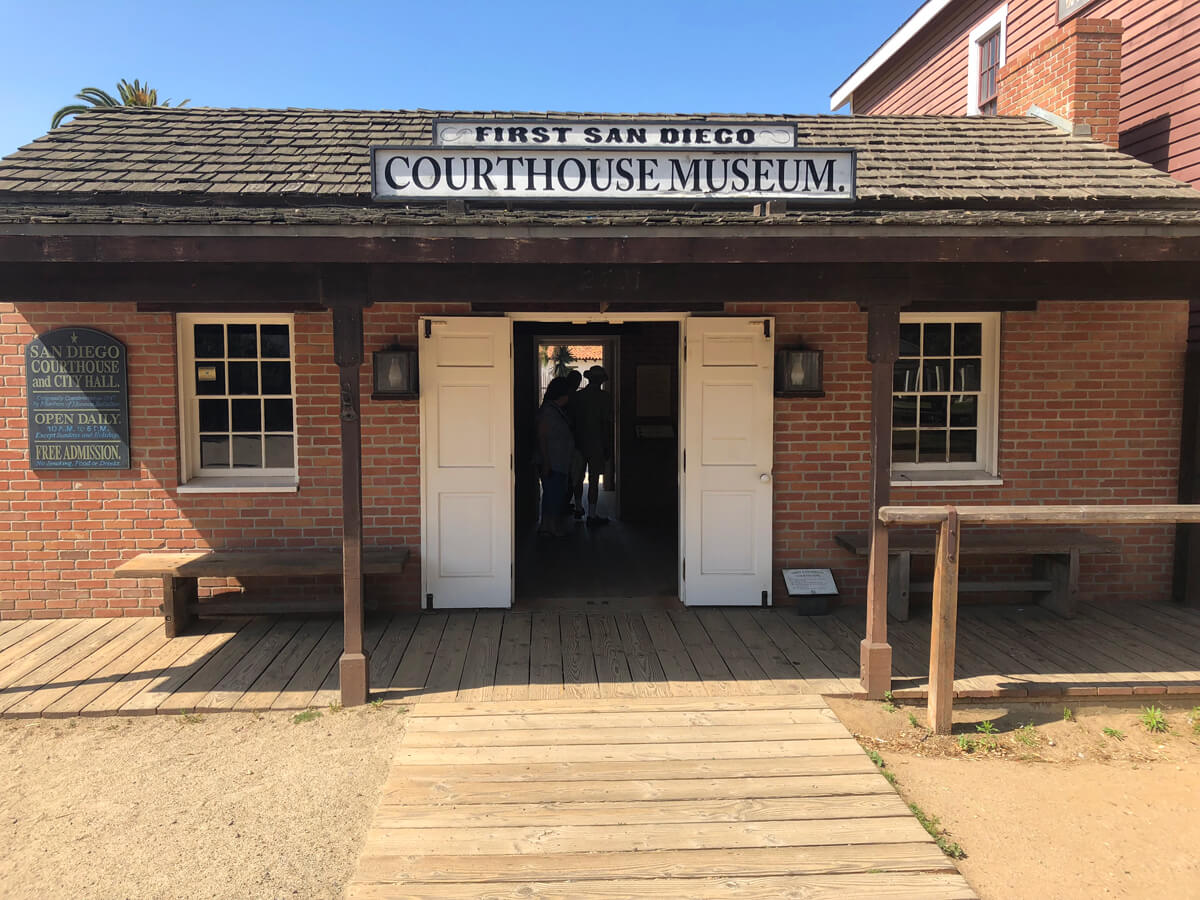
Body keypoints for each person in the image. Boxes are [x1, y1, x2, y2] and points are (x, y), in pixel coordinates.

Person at [571, 365, 613, 525]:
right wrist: (608, 445)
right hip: (597, 443)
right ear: (601, 380)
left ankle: (578, 507)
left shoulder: (577, 397)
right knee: (594, 480)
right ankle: (592, 514)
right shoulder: (605, 398)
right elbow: (606, 424)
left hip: (578, 442)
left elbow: (572, 421)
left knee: (577, 477)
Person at [535, 377, 575, 537]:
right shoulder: (549, 411)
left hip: (559, 460)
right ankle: (550, 526)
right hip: (552, 461)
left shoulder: (556, 410)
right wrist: (546, 462)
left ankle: (547, 526)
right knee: (553, 494)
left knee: (554, 493)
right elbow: (542, 436)